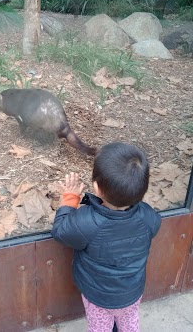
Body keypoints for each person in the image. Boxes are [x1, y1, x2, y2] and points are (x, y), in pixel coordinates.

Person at [51, 142, 162, 332]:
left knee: (100, 328)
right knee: (129, 325)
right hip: (132, 293)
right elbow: (154, 226)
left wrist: (70, 198)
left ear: (96, 187)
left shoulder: (88, 221)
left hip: (99, 298)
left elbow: (61, 231)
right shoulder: (148, 216)